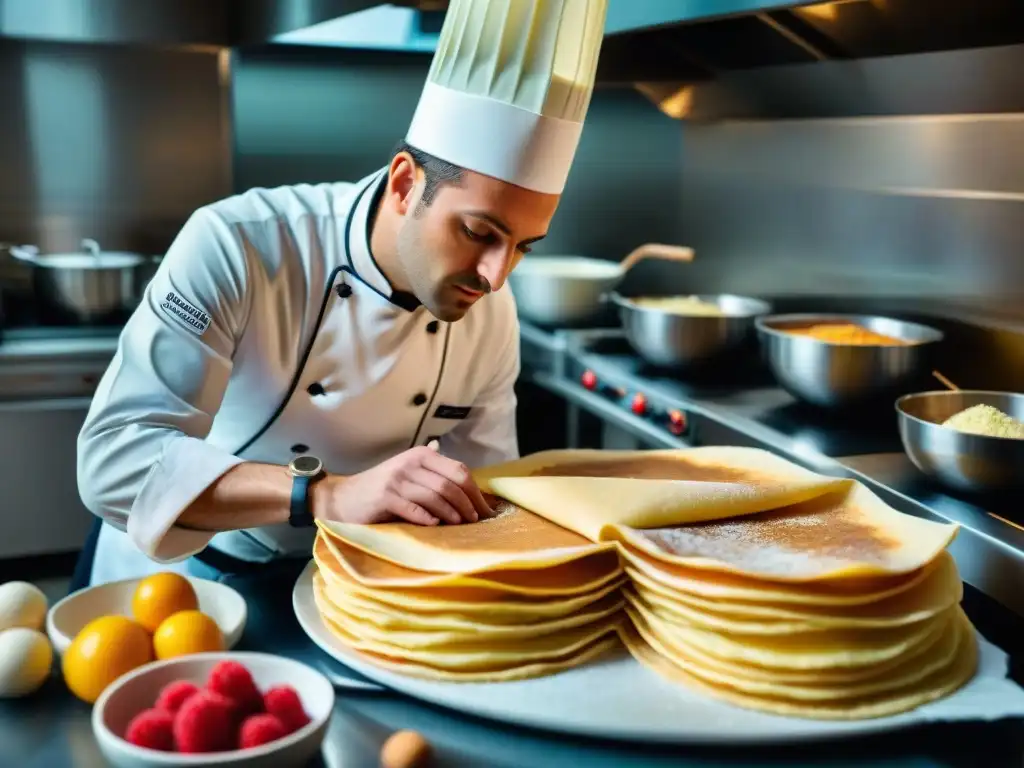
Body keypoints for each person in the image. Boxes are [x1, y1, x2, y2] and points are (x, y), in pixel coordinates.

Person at [74, 0, 609, 588]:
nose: (495, 276)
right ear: (406, 184)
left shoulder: (493, 313)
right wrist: (323, 495)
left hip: (351, 585)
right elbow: (113, 462)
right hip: (184, 579)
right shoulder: (241, 244)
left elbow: (482, 488)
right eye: (479, 233)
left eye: (524, 247)